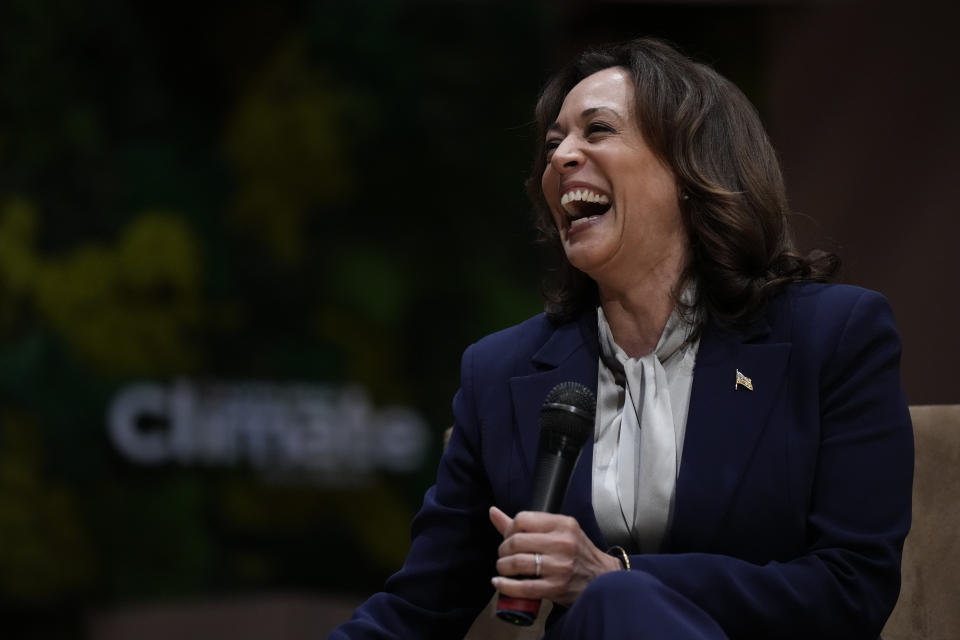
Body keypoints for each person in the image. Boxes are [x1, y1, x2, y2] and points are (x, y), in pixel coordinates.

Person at [330, 37, 913, 639]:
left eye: (598, 130)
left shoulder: (832, 336)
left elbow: (853, 586)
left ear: (691, 168)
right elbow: (418, 610)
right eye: (554, 145)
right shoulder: (500, 373)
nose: (560, 159)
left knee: (618, 602)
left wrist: (615, 575)